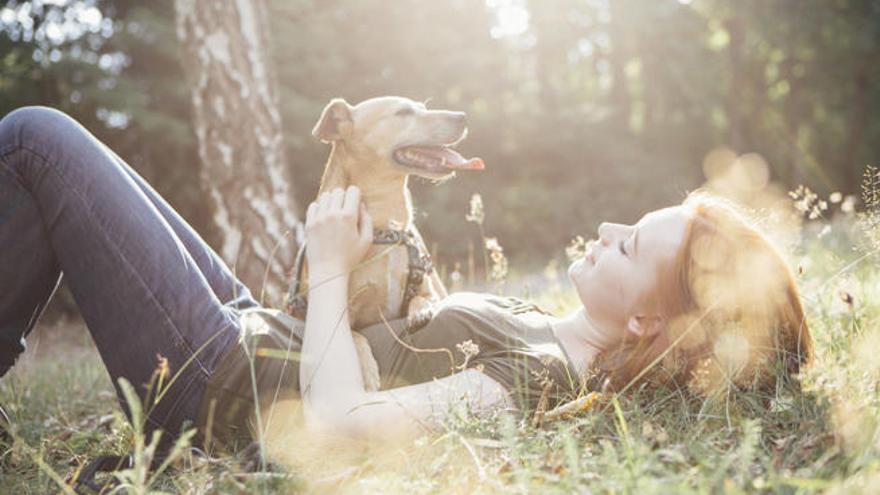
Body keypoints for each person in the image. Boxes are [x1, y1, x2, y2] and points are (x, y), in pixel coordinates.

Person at [0, 107, 812, 463]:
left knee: (36, 141)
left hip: (220, 387)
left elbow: (338, 419)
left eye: (629, 245)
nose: (604, 233)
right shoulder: (544, 329)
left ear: (646, 324)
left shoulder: (533, 380)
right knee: (45, 160)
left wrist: (326, 270)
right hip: (253, 332)